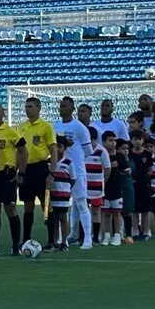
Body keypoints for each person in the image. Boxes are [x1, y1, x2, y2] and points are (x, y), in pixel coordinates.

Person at [14, 96, 57, 247]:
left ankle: (52, 240)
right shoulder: (21, 128)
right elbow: (19, 152)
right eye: (26, 107)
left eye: (31, 106)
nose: (28, 109)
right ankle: (25, 240)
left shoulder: (46, 126)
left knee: (46, 206)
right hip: (26, 170)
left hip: (41, 168)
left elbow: (53, 150)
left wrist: (52, 173)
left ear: (39, 109)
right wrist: (18, 171)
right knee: (28, 205)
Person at [53, 97, 93, 251]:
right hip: (59, 171)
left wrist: (76, 160)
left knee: (81, 203)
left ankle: (88, 238)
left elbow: (88, 150)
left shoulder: (79, 127)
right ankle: (67, 236)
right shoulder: (55, 126)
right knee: (62, 206)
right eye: (60, 106)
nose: (61, 108)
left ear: (71, 108)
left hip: (76, 170)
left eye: (64, 106)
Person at [0, 103, 25, 255]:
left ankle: (16, 246)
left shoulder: (11, 132)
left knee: (10, 209)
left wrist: (20, 172)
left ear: (3, 114)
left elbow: (24, 152)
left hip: (7, 174)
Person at [47, 137, 77, 251]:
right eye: (55, 146)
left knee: (63, 218)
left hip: (63, 195)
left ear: (64, 148)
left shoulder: (68, 163)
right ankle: (54, 241)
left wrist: (66, 188)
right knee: (53, 219)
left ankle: (64, 242)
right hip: (51, 195)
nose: (57, 149)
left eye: (60, 146)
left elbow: (73, 179)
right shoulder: (49, 162)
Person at [101, 132, 130, 245]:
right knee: (106, 213)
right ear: (103, 142)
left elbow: (126, 170)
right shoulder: (101, 155)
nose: (113, 143)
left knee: (117, 213)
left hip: (117, 188)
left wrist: (124, 171)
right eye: (110, 140)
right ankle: (106, 236)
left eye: (114, 140)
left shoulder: (120, 156)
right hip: (104, 188)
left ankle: (117, 235)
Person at [128, 131, 155, 240]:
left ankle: (146, 231)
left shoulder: (147, 154)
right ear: (131, 141)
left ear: (142, 141)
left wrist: (148, 176)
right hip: (133, 183)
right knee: (134, 209)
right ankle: (135, 231)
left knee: (145, 209)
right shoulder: (129, 154)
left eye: (139, 139)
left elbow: (150, 168)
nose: (137, 141)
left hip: (144, 184)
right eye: (135, 139)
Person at [84, 124, 108, 243]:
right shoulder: (83, 151)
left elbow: (107, 168)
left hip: (97, 187)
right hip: (84, 186)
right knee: (83, 210)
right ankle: (83, 236)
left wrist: (102, 181)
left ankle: (96, 237)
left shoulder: (101, 151)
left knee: (95, 211)